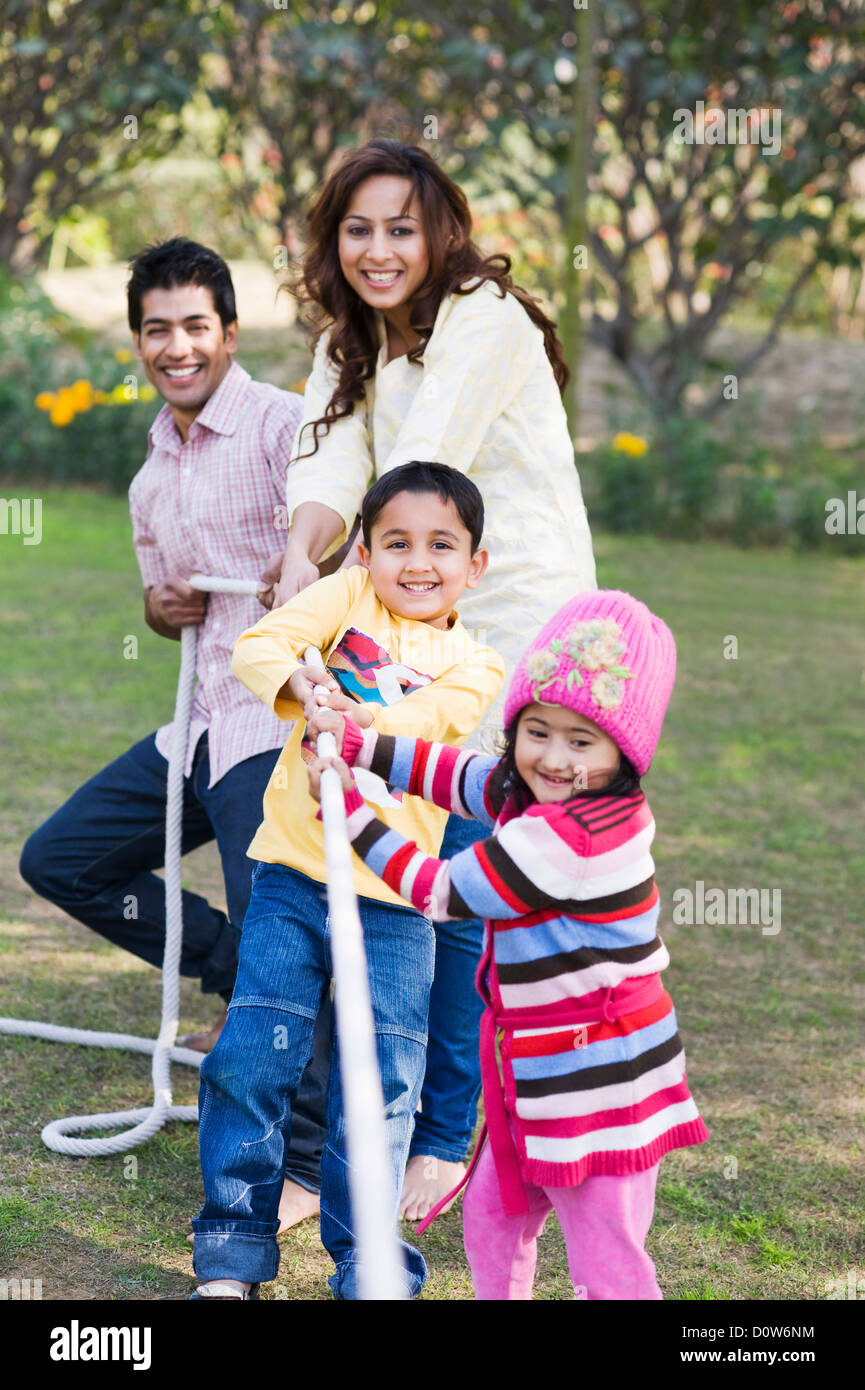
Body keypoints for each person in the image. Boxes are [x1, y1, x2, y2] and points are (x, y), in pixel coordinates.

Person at [266, 137, 597, 1220]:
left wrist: (338, 585)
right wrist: (293, 555)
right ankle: (364, 1124)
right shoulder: (348, 339)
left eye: (400, 227)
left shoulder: (484, 322)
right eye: (357, 228)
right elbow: (330, 464)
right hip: (411, 604)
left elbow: (423, 473)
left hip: (503, 622)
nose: (377, 249)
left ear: (439, 230)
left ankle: (440, 1133)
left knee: (446, 877)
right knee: (395, 862)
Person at [18, 237, 329, 1227]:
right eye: (158, 328)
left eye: (197, 325)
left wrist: (306, 564)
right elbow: (163, 602)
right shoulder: (151, 468)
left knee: (289, 931)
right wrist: (160, 609)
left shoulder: (289, 428)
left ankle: (314, 1159)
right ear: (139, 340)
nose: (178, 345)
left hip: (271, 723)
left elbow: (348, 546)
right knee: (58, 857)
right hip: (193, 724)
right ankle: (228, 964)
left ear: (229, 333)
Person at [307, 589, 710, 1300]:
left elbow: (441, 891)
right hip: (528, 1066)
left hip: (599, 1076)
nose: (552, 758)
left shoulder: (574, 836)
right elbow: (461, 778)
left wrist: (351, 814)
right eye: (537, 730)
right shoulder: (532, 792)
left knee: (604, 1253)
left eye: (580, 741)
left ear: (624, 752)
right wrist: (360, 745)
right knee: (494, 1216)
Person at [189, 461, 505, 1300]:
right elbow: (259, 643)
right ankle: (230, 1251)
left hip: (398, 905)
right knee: (252, 1057)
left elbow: (431, 722)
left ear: (475, 565)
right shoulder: (345, 598)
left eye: (442, 545)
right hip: (293, 877)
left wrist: (355, 721)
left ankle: (370, 1264)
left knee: (380, 1084)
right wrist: (299, 682)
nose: (416, 561)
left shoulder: (477, 665)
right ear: (365, 549)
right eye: (396, 541)